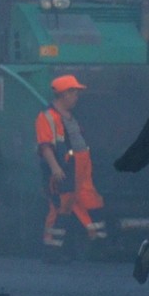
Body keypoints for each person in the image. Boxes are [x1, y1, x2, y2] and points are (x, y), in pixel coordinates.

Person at [37, 74, 106, 252]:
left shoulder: (69, 116)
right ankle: (52, 250)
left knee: (91, 202)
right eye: (74, 92)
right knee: (60, 207)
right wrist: (55, 168)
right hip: (65, 169)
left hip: (80, 169)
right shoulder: (47, 117)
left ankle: (98, 245)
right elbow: (45, 147)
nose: (77, 96)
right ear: (64, 94)